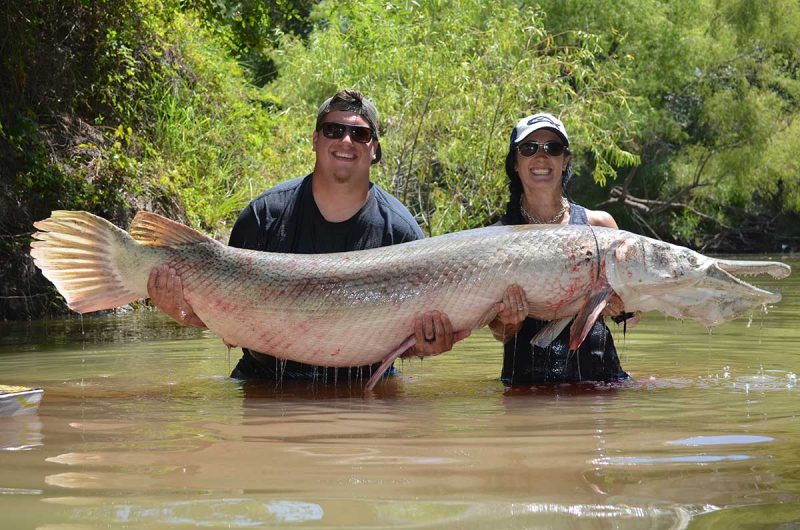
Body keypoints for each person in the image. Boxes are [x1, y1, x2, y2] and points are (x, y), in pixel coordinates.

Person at [147, 89, 459, 383]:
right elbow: (230, 324)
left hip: (365, 390)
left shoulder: (402, 232)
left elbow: (412, 343)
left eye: (360, 134)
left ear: (374, 148)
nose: (346, 140)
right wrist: (182, 310)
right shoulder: (263, 217)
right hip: (266, 383)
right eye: (333, 130)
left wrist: (425, 345)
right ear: (315, 139)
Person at [488, 112, 631, 385]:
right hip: (526, 389)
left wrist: (622, 307)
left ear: (565, 161)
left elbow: (632, 314)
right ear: (515, 164)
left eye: (552, 148)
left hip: (601, 385)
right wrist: (510, 321)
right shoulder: (497, 237)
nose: (541, 157)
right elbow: (497, 330)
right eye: (529, 149)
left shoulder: (599, 225)